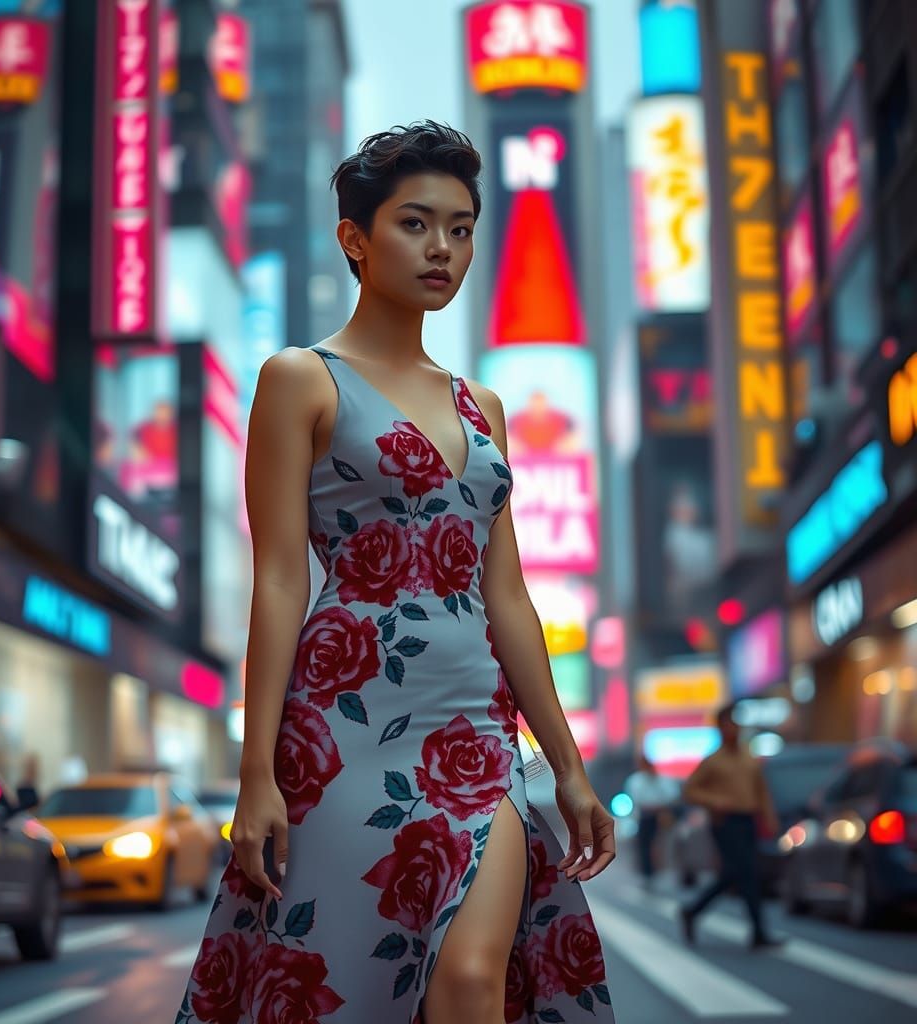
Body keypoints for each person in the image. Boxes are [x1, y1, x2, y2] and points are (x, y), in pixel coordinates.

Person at [176, 122, 617, 1024]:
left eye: (461, 228)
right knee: (346, 988)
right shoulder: (300, 379)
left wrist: (567, 768)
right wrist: (256, 771)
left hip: (475, 729)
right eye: (417, 224)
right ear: (355, 238)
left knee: (469, 981)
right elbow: (277, 582)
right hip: (343, 727)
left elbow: (507, 596)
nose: (443, 249)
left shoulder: (480, 404)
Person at [679, 703, 782, 950]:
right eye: (726, 724)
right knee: (743, 872)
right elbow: (690, 790)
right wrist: (715, 802)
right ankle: (757, 931)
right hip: (725, 823)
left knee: (739, 874)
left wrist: (769, 816)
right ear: (720, 728)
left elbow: (761, 790)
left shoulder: (749, 757)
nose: (732, 729)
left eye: (734, 724)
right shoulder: (713, 761)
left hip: (748, 820)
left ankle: (693, 911)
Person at [624, 753, 679, 885]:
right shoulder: (636, 780)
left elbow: (672, 796)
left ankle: (663, 870)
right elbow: (636, 799)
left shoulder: (663, 780)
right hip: (645, 817)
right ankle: (647, 873)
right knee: (645, 846)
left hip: (662, 816)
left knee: (664, 844)